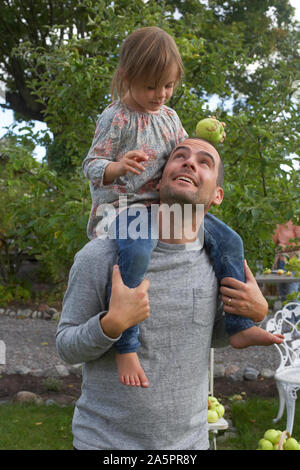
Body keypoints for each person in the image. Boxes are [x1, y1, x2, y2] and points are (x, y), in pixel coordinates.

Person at [57, 138, 283, 450]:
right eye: (180, 156)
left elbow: (209, 335)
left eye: (204, 162)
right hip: (106, 444)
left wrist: (255, 313)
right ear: (160, 181)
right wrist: (110, 325)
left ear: (217, 195)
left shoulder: (217, 263)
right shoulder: (100, 256)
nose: (190, 162)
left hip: (190, 444)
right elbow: (66, 347)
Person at [82, 26, 258, 388]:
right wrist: (117, 167)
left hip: (166, 210)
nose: (160, 95)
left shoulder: (169, 116)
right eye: (151, 87)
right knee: (137, 253)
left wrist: (209, 136)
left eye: (168, 86)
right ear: (127, 78)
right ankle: (126, 345)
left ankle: (241, 326)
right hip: (126, 208)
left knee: (230, 241)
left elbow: (186, 152)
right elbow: (92, 164)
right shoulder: (115, 119)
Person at [273, 221, 300, 300]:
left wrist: (285, 247)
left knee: (291, 292)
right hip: (281, 261)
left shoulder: (296, 221)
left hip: (293, 261)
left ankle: (296, 312)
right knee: (282, 293)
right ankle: (286, 312)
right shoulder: (277, 222)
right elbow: (274, 242)